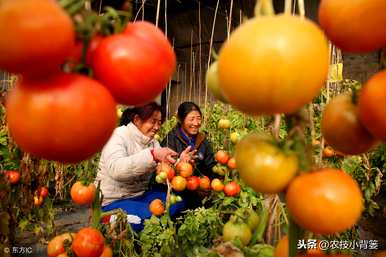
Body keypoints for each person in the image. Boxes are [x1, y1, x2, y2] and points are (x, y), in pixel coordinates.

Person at [95, 102, 192, 232]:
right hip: (113, 201)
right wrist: (152, 155)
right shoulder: (117, 136)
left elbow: (165, 168)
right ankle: (108, 218)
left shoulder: (153, 143)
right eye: (153, 122)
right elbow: (116, 169)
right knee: (143, 219)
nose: (157, 127)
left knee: (177, 204)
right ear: (137, 120)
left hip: (140, 195)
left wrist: (180, 162)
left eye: (159, 123)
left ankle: (130, 221)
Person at [161, 102, 217, 208]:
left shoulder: (203, 140)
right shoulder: (171, 140)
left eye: (199, 118)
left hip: (198, 191)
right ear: (181, 120)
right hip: (175, 193)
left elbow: (210, 166)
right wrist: (179, 161)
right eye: (191, 119)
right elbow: (162, 172)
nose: (196, 123)